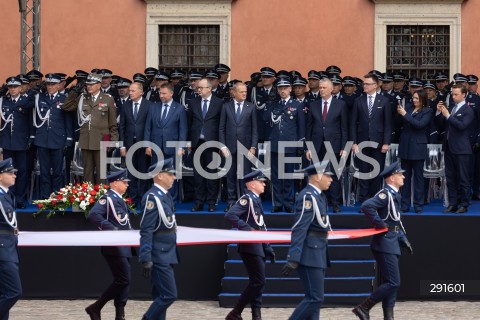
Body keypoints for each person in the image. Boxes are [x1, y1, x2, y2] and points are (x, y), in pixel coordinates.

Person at [353, 160, 413, 320]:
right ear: (392, 178)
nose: (403, 178)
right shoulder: (385, 194)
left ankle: (389, 316)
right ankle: (364, 307)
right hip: (384, 243)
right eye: (400, 175)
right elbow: (366, 206)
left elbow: (395, 220)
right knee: (394, 282)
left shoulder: (394, 195)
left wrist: (403, 238)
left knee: (390, 282)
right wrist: (379, 223)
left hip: (392, 241)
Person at [281, 160, 334, 320]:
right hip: (309, 254)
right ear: (317, 177)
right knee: (315, 298)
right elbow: (299, 228)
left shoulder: (319, 197)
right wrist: (293, 256)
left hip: (318, 252)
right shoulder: (308, 198)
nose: (331, 179)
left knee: (315, 302)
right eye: (328, 176)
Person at [224, 170, 275, 320]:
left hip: (258, 245)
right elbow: (230, 215)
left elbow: (261, 225)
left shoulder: (256, 200)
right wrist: (247, 228)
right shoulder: (247, 199)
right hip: (250, 245)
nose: (264, 184)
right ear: (252, 184)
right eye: (261, 181)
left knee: (257, 282)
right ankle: (235, 312)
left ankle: (256, 315)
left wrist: (268, 246)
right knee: (259, 281)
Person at [86, 168, 133, 320]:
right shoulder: (107, 198)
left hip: (124, 244)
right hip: (114, 245)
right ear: (114, 183)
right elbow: (94, 214)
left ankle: (120, 315)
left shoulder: (119, 199)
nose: (126, 185)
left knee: (124, 281)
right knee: (123, 280)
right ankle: (96, 307)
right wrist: (111, 228)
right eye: (124, 182)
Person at [139, 159, 178, 320]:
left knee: (160, 295)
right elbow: (146, 229)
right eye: (170, 174)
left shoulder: (164, 196)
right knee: (169, 295)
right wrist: (145, 256)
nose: (174, 177)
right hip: (158, 254)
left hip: (167, 252)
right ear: (160, 176)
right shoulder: (152, 198)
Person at [62, 73, 119, 183]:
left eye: (92, 84)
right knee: (87, 173)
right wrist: (75, 91)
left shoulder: (108, 99)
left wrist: (113, 141)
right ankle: (89, 197)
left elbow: (112, 123)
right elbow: (66, 107)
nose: (89, 86)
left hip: (101, 140)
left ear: (99, 85)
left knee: (101, 173)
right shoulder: (82, 98)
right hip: (86, 140)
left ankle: (100, 197)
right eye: (87, 84)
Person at [306, 78, 348, 213]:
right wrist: (308, 147)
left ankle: (335, 203)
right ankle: (319, 202)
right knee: (317, 175)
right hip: (317, 145)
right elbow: (309, 128)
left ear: (331, 89)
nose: (321, 90)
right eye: (320, 87)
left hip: (334, 144)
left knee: (334, 174)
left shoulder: (340, 104)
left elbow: (344, 128)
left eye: (324, 88)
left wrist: (344, 147)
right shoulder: (313, 105)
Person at [266, 78, 306, 213]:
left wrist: (300, 144)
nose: (282, 91)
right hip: (275, 144)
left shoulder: (297, 105)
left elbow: (301, 126)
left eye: (285, 88)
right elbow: (268, 122)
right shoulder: (274, 104)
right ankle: (277, 203)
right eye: (280, 88)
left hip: (290, 144)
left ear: (290, 89)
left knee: (288, 175)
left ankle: (288, 202)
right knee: (276, 176)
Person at [350, 73, 392, 201]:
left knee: (376, 172)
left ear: (375, 85)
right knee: (363, 172)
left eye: (367, 84)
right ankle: (364, 200)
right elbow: (352, 124)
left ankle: (375, 200)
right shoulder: (358, 100)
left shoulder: (384, 101)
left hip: (378, 143)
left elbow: (388, 124)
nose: (365, 86)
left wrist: (386, 142)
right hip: (362, 143)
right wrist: (353, 142)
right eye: (364, 83)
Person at [144, 82, 187, 203]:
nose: (161, 96)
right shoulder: (154, 107)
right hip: (156, 147)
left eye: (164, 93)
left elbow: (182, 130)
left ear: (171, 93)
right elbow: (148, 127)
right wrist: (147, 145)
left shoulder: (179, 108)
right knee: (157, 174)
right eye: (160, 93)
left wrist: (181, 147)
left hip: (172, 148)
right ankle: (158, 199)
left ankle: (171, 201)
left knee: (170, 175)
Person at [32, 73, 73, 199]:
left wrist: (69, 139)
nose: (50, 87)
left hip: (58, 139)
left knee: (57, 171)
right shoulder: (39, 98)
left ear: (58, 85)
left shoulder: (64, 99)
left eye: (52, 84)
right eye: (48, 84)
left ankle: (56, 196)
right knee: (44, 171)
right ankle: (45, 196)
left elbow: (68, 121)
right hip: (43, 139)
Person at [435, 84, 474, 213]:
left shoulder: (468, 110)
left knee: (463, 178)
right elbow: (442, 125)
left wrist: (448, 116)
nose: (453, 96)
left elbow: (462, 126)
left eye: (456, 94)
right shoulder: (452, 108)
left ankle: (464, 203)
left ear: (464, 95)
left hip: (462, 149)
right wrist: (439, 113)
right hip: (449, 148)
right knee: (450, 178)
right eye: (452, 94)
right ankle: (453, 203)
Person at [219, 82, 258, 211]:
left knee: (246, 175)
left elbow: (254, 129)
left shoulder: (251, 107)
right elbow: (222, 128)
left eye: (245, 92)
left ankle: (245, 201)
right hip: (229, 147)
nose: (244, 94)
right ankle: (231, 201)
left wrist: (253, 147)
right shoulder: (226, 107)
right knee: (230, 175)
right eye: (241, 92)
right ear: (233, 92)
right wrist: (223, 146)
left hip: (246, 147)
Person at [188, 78, 224, 212]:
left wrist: (221, 144)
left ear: (209, 88)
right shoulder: (193, 102)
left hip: (213, 143)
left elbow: (221, 124)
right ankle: (199, 202)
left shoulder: (219, 103)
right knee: (198, 175)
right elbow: (189, 123)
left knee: (212, 174)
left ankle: (211, 203)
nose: (198, 90)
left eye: (201, 88)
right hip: (197, 143)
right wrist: (188, 142)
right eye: (198, 88)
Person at [396, 90, 433, 213]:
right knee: (404, 178)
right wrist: (401, 114)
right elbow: (400, 122)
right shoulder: (408, 107)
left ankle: (418, 205)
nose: (414, 100)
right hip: (405, 146)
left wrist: (405, 115)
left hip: (418, 147)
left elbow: (419, 125)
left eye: (417, 98)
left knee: (418, 178)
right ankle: (405, 205)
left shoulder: (427, 111)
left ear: (423, 99)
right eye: (413, 98)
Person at [0, 77, 34, 209]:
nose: (13, 89)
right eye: (10, 87)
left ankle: (19, 198)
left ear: (20, 88)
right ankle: (8, 197)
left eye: (15, 87)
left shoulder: (26, 101)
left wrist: (31, 138)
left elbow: (31, 121)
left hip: (21, 141)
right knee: (7, 172)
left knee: (22, 171)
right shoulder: (4, 101)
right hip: (8, 141)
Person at [119, 82, 152, 206]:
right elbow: (121, 126)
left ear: (141, 92)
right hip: (129, 144)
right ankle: (132, 199)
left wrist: (149, 144)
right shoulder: (125, 105)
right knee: (131, 173)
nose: (130, 93)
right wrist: (122, 145)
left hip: (143, 145)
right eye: (130, 91)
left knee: (143, 172)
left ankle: (143, 199)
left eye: (133, 91)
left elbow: (151, 127)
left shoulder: (149, 105)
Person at [0, 158, 22, 319]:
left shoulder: (6, 194)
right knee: (14, 291)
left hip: (7, 245)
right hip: (3, 248)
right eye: (10, 173)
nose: (14, 175)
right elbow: (10, 221)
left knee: (5, 292)